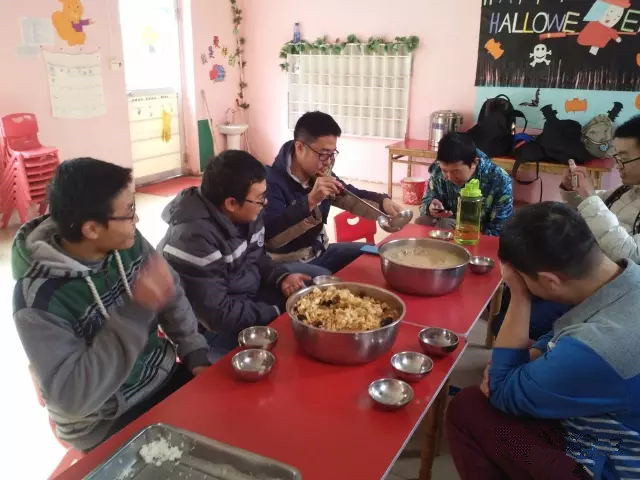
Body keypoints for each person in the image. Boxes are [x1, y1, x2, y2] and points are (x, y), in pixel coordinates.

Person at [12, 158, 210, 452]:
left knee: (230, 421)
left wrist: (194, 352)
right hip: (103, 418)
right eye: (129, 211)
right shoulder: (37, 300)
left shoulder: (126, 241)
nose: (137, 219)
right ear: (92, 229)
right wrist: (136, 310)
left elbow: (170, 292)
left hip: (158, 375)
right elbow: (74, 396)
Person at [447, 202, 640, 480]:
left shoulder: (595, 349)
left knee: (470, 409)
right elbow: (574, 325)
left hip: (615, 465)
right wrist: (536, 352)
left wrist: (520, 295)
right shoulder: (626, 279)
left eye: (521, 278)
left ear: (550, 281)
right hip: (615, 414)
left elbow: (501, 390)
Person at [159, 151, 310, 359]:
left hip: (243, 297)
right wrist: (276, 312)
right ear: (231, 203)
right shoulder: (193, 239)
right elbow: (217, 314)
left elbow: (257, 256)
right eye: (260, 198)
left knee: (309, 291)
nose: (265, 203)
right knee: (289, 343)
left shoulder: (248, 211)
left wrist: (282, 277)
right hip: (209, 328)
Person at [265, 111, 403, 276]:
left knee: (373, 253)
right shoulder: (270, 182)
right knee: (327, 279)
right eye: (324, 154)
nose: (329, 161)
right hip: (288, 264)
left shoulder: (318, 173)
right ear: (300, 147)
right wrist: (310, 201)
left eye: (332, 154)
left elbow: (349, 195)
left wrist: (383, 204)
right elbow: (272, 240)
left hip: (321, 252)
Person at [561, 114, 640, 263]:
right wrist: (573, 188)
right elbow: (591, 206)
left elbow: (629, 256)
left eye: (624, 159)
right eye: (617, 158)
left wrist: (589, 196)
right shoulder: (627, 189)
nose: (617, 166)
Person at [416, 132, 513, 236]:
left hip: (480, 232)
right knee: (421, 222)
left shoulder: (499, 180)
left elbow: (499, 229)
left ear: (474, 163)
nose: (449, 177)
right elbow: (425, 204)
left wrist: (467, 234)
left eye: (456, 171)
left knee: (444, 225)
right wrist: (430, 207)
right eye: (445, 170)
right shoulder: (438, 170)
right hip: (449, 222)